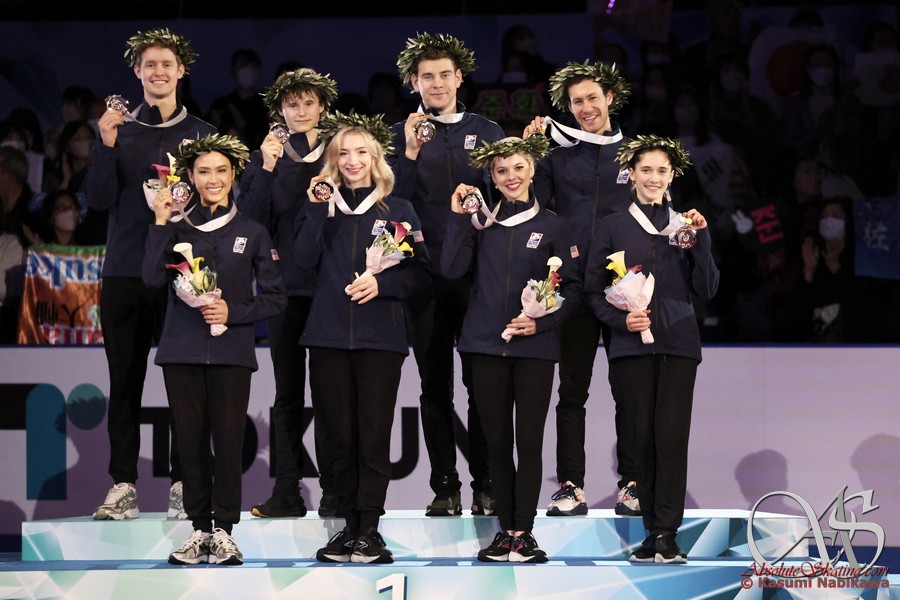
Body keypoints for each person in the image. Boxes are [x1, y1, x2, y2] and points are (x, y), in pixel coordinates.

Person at [84, 28, 216, 521]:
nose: (158, 72)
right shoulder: (118, 129)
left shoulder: (203, 134)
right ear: (136, 72)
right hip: (124, 271)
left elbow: (218, 206)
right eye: (149, 65)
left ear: (182, 70)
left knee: (185, 382)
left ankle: (185, 484)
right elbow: (97, 199)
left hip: (182, 271)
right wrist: (105, 144)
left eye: (167, 64)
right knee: (124, 380)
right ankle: (123, 484)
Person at [294, 112, 430, 564]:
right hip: (327, 337)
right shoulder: (322, 206)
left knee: (372, 435)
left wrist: (382, 284)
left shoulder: (398, 209)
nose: (352, 161)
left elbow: (420, 274)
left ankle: (369, 528)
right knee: (336, 435)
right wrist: (317, 209)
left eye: (361, 153)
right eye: (343, 154)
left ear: (375, 159)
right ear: (333, 161)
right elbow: (301, 261)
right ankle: (345, 528)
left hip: (380, 340)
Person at [145, 134, 285, 565]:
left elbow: (276, 298)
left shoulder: (252, 231)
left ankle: (223, 530)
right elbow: (150, 279)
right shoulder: (176, 228)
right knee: (188, 444)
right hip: (181, 352)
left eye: (221, 171)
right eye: (203, 171)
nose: (213, 179)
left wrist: (233, 311)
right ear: (190, 176)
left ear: (233, 174)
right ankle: (197, 530)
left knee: (227, 442)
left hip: (232, 354)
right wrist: (160, 222)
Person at [443, 136, 580, 563]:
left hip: (535, 348)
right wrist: (458, 220)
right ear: (492, 176)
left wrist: (540, 322)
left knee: (529, 442)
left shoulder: (554, 225)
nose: (511, 177)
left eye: (518, 168)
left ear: (533, 170)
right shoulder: (480, 223)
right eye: (501, 171)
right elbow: (450, 268)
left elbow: (573, 289)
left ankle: (525, 532)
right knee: (496, 443)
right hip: (484, 346)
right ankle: (506, 532)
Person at [583, 135, 719, 563]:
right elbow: (592, 291)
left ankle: (667, 533)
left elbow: (708, 287)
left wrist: (703, 240)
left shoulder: (685, 226)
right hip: (630, 347)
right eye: (646, 170)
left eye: (662, 171)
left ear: (672, 176)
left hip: (679, 344)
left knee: (672, 439)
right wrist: (621, 321)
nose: (654, 178)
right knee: (641, 438)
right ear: (631, 174)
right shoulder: (612, 225)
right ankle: (651, 531)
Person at [389, 32, 504, 517]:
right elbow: (392, 202)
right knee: (434, 387)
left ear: (460, 78)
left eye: (444, 75)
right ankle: (445, 488)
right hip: (423, 278)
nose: (436, 83)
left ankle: (487, 485)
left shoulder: (488, 130)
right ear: (414, 83)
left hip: (477, 280)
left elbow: (507, 197)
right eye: (426, 77)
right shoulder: (400, 135)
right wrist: (410, 151)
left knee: (482, 387)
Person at [522, 61, 639, 517]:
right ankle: (571, 486)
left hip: (624, 289)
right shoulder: (557, 156)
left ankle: (632, 484)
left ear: (610, 97)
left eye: (592, 97)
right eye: (576, 102)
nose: (586, 108)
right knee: (571, 392)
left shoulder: (635, 154)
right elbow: (529, 205)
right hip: (573, 289)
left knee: (628, 391)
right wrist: (531, 151)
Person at [239, 68, 339, 519]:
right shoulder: (268, 155)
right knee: (287, 394)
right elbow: (250, 219)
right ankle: (287, 491)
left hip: (331, 286)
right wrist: (264, 166)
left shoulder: (340, 151)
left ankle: (335, 490)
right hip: (283, 289)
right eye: (292, 104)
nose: (301, 111)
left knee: (331, 393)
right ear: (280, 109)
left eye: (309, 103)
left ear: (323, 106)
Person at [207, 49, 269, 150]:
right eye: (243, 65)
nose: (248, 70)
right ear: (233, 70)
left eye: (252, 66)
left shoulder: (266, 105)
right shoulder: (221, 106)